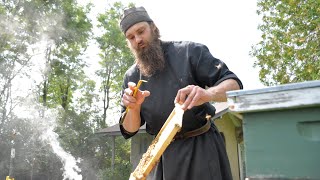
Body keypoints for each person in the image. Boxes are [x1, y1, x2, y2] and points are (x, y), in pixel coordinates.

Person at [118, 6, 243, 180]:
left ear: (153, 27)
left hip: (202, 148)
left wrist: (208, 94)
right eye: (131, 37)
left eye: (141, 31)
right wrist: (134, 108)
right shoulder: (131, 77)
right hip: (164, 156)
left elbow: (234, 85)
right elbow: (129, 130)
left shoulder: (189, 52)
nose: (138, 39)